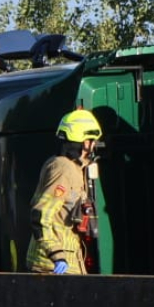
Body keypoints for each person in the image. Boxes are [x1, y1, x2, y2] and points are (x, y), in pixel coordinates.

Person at [27, 109, 101, 275]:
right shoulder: (63, 168)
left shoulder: (75, 169)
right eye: (93, 140)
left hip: (68, 261)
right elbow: (41, 215)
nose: (95, 145)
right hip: (51, 266)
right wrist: (56, 255)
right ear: (85, 142)